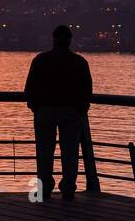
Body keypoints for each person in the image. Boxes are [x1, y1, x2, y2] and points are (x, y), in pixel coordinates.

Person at [23, 25, 93, 201]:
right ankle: (68, 188)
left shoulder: (40, 60)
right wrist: (80, 110)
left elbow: (29, 88)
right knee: (70, 152)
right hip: (71, 113)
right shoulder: (80, 62)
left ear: (52, 39)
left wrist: (35, 107)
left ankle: (44, 188)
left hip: (45, 112)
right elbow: (87, 90)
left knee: (44, 151)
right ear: (70, 40)